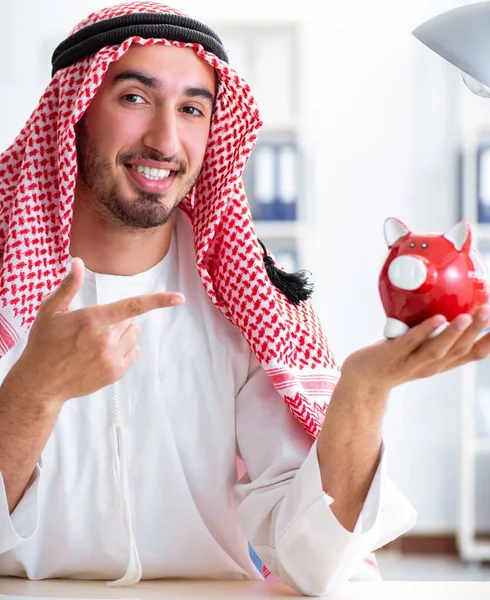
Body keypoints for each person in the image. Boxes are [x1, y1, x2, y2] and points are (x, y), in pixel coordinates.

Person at [0, 2, 489, 596]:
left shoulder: (247, 292)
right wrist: (32, 391)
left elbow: (309, 560)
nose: (164, 140)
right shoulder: (10, 285)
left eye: (191, 110)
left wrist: (363, 392)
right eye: (133, 98)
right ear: (71, 115)